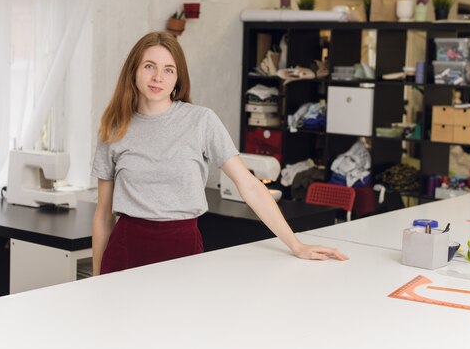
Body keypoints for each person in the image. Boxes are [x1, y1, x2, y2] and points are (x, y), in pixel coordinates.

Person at [91, 31, 348, 275]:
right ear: (133, 70)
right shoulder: (114, 127)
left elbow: (249, 185)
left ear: (178, 78)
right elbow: (103, 214)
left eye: (168, 69)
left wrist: (297, 245)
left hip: (182, 249)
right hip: (126, 251)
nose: (158, 77)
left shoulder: (201, 121)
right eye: (149, 66)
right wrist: (95, 281)